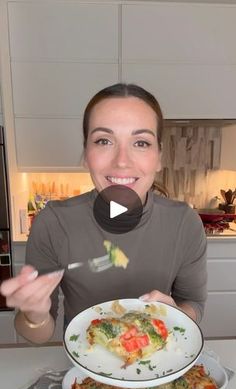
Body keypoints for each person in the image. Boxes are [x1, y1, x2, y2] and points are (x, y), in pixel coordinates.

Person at [0, 83, 207, 344]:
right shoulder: (53, 222)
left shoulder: (184, 223)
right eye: (104, 141)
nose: (122, 161)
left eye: (141, 142)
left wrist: (177, 315)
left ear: (159, 158)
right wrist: (34, 314)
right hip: (83, 370)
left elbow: (194, 303)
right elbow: (38, 335)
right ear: (86, 153)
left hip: (156, 361)